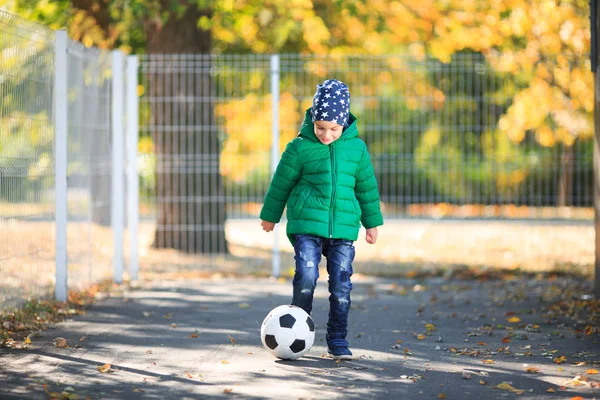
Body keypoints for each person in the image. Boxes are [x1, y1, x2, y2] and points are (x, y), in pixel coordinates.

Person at [259, 79, 384, 360]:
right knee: (307, 276)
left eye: (333, 129)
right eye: (320, 127)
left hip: (343, 229)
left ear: (344, 124)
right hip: (307, 226)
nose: (326, 134)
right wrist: (270, 216)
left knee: (341, 286)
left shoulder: (357, 150)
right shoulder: (299, 148)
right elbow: (281, 183)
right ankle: (295, 333)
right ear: (312, 119)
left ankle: (337, 338)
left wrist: (372, 223)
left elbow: (366, 188)